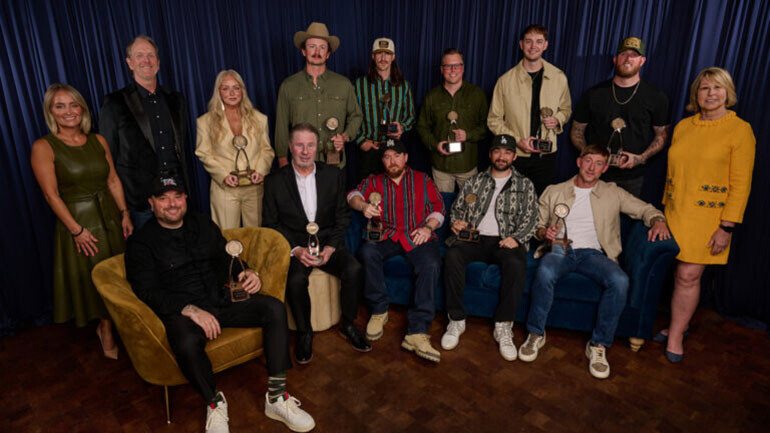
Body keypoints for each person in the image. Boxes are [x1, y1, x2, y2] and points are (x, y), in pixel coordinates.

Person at [125, 175, 315, 433]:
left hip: (220, 298)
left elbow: (225, 257)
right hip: (183, 311)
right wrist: (192, 311)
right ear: (151, 203)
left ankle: (277, 397)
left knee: (274, 308)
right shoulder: (140, 242)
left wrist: (246, 271)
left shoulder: (202, 223)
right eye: (163, 198)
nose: (172, 204)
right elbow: (147, 291)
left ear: (185, 198)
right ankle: (214, 402)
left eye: (177, 196)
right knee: (186, 342)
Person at [519, 144, 671, 379]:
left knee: (620, 280)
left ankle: (599, 345)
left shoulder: (613, 192)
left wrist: (658, 220)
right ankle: (536, 333)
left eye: (599, 163)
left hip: (593, 254)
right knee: (545, 272)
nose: (592, 167)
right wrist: (543, 233)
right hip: (560, 249)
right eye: (588, 161)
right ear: (579, 162)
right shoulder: (554, 190)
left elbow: (644, 209)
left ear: (605, 168)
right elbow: (537, 226)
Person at [656, 67, 755, 363]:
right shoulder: (684, 126)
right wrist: (662, 211)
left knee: (688, 275)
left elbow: (741, 184)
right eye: (705, 88)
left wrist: (727, 227)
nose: (711, 94)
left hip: (709, 219)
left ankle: (676, 335)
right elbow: (673, 172)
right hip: (675, 212)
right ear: (696, 94)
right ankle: (679, 323)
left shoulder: (740, 130)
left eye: (717, 88)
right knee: (674, 272)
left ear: (728, 93)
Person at [30, 83, 133, 359]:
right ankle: (105, 329)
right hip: (80, 222)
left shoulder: (98, 140)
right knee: (95, 279)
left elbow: (113, 180)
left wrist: (124, 213)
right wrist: (76, 231)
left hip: (110, 218)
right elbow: (51, 195)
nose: (68, 111)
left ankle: (120, 324)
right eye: (60, 106)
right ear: (51, 112)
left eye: (73, 104)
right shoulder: (44, 146)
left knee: (119, 275)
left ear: (82, 109)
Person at [263, 124, 370, 364]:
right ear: (290, 147)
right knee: (295, 281)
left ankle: (348, 324)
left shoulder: (333, 175)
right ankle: (305, 333)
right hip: (296, 246)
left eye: (310, 145)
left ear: (317, 147)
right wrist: (296, 250)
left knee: (354, 269)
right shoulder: (274, 182)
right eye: (299, 145)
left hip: (328, 242)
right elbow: (270, 223)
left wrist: (331, 247)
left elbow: (343, 217)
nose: (305, 151)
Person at [441, 134, 538, 360]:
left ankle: (503, 325)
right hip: (475, 237)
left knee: (516, 263)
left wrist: (517, 238)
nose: (501, 156)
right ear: (490, 154)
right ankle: (456, 319)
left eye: (507, 152)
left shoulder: (524, 184)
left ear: (514, 156)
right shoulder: (474, 181)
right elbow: (457, 209)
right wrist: (456, 222)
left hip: (505, 240)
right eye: (497, 151)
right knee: (453, 255)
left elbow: (532, 218)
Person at [348, 139, 445, 362]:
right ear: (382, 160)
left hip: (416, 233)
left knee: (431, 263)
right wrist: (363, 206)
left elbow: (439, 207)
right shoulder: (374, 181)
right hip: (387, 235)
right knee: (367, 251)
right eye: (387, 157)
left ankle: (417, 332)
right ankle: (379, 310)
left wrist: (428, 228)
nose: (392, 161)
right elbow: (352, 196)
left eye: (397, 155)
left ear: (406, 157)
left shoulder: (422, 179)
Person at [100, 35, 190, 229]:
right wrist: (122, 209)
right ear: (130, 63)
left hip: (176, 192)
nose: (146, 60)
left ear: (158, 62)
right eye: (139, 55)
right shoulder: (114, 102)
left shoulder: (176, 99)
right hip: (139, 201)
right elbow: (108, 158)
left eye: (150, 55)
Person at [570, 36, 669, 198]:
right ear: (615, 59)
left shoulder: (656, 97)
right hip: (595, 174)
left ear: (642, 61)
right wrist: (591, 158)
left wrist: (640, 158)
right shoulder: (594, 94)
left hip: (632, 178)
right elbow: (577, 131)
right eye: (624, 54)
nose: (628, 59)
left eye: (634, 55)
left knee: (627, 215)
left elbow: (661, 136)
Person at [487, 25, 572, 196]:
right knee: (512, 202)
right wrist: (517, 141)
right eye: (528, 41)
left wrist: (558, 120)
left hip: (546, 156)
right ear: (521, 44)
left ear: (545, 45)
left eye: (539, 41)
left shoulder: (559, 77)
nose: (533, 46)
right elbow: (493, 120)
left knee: (542, 202)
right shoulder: (505, 81)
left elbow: (566, 109)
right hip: (516, 155)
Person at [274, 22, 363, 168]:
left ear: (328, 54)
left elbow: (356, 116)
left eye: (322, 47)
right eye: (312, 46)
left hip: (334, 164)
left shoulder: (343, 84)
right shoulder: (288, 86)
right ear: (304, 51)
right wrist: (282, 160)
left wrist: (345, 136)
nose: (317, 52)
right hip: (301, 165)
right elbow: (281, 127)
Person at [195, 70, 275, 230]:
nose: (231, 93)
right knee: (227, 236)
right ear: (218, 92)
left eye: (236, 88)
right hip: (225, 189)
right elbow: (203, 153)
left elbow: (266, 150)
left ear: (242, 91)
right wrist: (224, 175)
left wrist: (260, 171)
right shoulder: (205, 122)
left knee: (256, 234)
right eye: (225, 88)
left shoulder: (260, 118)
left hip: (254, 188)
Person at [417, 48, 489, 193]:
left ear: (463, 68)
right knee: (442, 204)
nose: (452, 70)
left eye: (456, 65)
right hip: (441, 167)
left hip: (467, 166)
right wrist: (435, 145)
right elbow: (422, 127)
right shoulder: (432, 96)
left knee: (470, 205)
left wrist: (468, 135)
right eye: (448, 66)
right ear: (441, 69)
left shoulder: (477, 94)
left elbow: (486, 127)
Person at [353, 37, 415, 182]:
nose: (383, 58)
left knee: (394, 189)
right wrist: (361, 141)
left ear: (393, 57)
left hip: (393, 150)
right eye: (379, 53)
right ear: (373, 56)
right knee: (368, 190)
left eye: (387, 54)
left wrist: (401, 127)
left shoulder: (403, 86)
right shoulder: (359, 85)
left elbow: (411, 116)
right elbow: (350, 116)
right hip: (369, 149)